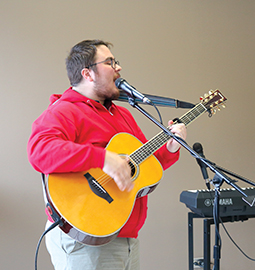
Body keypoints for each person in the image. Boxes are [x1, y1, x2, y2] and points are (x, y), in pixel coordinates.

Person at [27, 39, 187, 270]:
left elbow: (144, 166)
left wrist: (171, 147)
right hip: (85, 240)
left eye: (116, 62)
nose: (118, 68)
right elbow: (39, 152)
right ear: (88, 74)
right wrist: (103, 159)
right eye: (110, 62)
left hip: (125, 235)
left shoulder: (122, 115)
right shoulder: (64, 110)